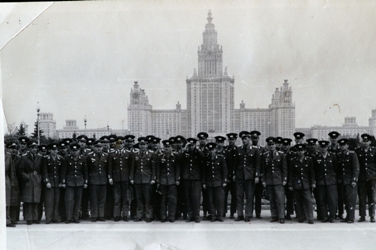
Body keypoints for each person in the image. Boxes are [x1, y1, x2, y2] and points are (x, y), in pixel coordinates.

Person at [235, 131, 261, 222]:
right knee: (239, 196)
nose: (244, 140)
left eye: (246, 139)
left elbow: (257, 164)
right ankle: (240, 214)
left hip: (250, 176)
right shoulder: (238, 149)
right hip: (240, 176)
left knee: (249, 196)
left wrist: (257, 176)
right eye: (243, 139)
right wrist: (235, 174)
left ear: (249, 139)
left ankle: (248, 214)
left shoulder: (255, 150)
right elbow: (236, 164)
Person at [130, 137, 156, 222]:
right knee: (138, 198)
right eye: (141, 144)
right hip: (138, 179)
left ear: (147, 145)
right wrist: (132, 178)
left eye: (144, 144)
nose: (142, 146)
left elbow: (153, 168)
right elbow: (132, 167)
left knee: (148, 199)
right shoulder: (135, 154)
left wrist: (153, 178)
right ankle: (139, 215)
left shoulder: (151, 154)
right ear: (139, 145)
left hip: (147, 179)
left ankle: (149, 215)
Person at [261, 137, 287, 224]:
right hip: (269, 180)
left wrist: (284, 179)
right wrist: (264, 180)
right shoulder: (265, 155)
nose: (271, 146)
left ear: (275, 145)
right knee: (272, 199)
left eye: (272, 144)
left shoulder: (281, 155)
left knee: (280, 199)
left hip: (278, 180)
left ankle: (281, 216)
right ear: (267, 145)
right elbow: (263, 169)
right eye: (269, 145)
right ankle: (274, 216)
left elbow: (284, 168)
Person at [61, 143, 88, 223]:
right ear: (71, 151)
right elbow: (63, 171)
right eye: (73, 150)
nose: (74, 152)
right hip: (70, 182)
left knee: (78, 201)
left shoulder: (83, 159)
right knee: (69, 201)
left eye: (76, 150)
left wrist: (86, 182)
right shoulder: (67, 159)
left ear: (79, 150)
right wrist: (63, 182)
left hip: (79, 182)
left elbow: (85, 171)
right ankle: (68, 218)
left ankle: (76, 217)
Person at [288, 144, 316, 224]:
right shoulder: (293, 160)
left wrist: (313, 182)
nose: (300, 152)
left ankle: (310, 217)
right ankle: (301, 216)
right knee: (298, 201)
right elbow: (291, 173)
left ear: (304, 151)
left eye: (301, 150)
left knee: (308, 201)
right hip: (296, 184)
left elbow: (312, 172)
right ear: (296, 151)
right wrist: (290, 184)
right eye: (298, 151)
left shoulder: (309, 160)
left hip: (306, 183)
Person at [87, 140, 112, 222]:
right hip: (93, 180)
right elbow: (87, 169)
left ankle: (101, 215)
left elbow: (108, 168)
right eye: (97, 147)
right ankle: (94, 215)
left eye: (100, 147)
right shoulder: (89, 156)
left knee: (102, 199)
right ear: (93, 147)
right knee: (94, 199)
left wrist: (109, 178)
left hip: (103, 180)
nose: (99, 149)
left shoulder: (106, 155)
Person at [181, 138, 205, 222]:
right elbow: (179, 160)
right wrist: (184, 149)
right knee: (188, 198)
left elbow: (203, 157)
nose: (191, 147)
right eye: (189, 145)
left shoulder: (197, 153)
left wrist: (196, 149)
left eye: (192, 145)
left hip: (196, 179)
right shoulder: (185, 153)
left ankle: (196, 216)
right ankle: (190, 215)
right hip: (187, 178)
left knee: (196, 198)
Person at [156, 139, 181, 222]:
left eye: (168, 147)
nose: (167, 149)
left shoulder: (176, 156)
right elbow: (158, 170)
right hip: (163, 181)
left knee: (172, 200)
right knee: (163, 200)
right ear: (163, 147)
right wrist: (158, 181)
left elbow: (178, 168)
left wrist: (177, 179)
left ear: (171, 147)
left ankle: (171, 216)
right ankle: (163, 216)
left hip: (172, 181)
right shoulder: (160, 157)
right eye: (165, 147)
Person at [19, 140, 43, 225]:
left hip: (37, 180)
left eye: (35, 147)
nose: (34, 149)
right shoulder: (24, 157)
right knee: (28, 200)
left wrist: (40, 178)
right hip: (28, 180)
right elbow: (21, 170)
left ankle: (35, 218)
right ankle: (29, 218)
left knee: (36, 199)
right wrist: (27, 177)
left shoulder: (40, 157)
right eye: (32, 147)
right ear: (29, 148)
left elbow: (42, 169)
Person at [313, 140, 338, 223]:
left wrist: (336, 180)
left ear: (327, 147)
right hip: (321, 182)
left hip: (331, 182)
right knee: (322, 200)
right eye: (321, 147)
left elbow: (336, 168)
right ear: (319, 148)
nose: (323, 149)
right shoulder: (316, 157)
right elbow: (314, 171)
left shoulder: (332, 156)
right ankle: (325, 216)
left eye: (325, 147)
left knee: (332, 199)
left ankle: (332, 216)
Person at [109, 138, 133, 221]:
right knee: (117, 198)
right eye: (118, 143)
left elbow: (131, 166)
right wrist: (110, 177)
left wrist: (130, 177)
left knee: (125, 198)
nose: (119, 145)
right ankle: (117, 215)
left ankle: (125, 215)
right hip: (116, 179)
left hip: (125, 178)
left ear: (124, 144)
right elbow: (110, 167)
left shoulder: (128, 153)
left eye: (121, 143)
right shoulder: (112, 154)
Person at [203, 142, 227, 222]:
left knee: (219, 200)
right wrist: (204, 182)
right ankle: (213, 215)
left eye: (212, 149)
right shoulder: (206, 159)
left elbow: (224, 171)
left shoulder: (221, 158)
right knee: (210, 200)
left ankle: (220, 216)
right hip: (209, 183)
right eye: (210, 150)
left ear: (215, 150)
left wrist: (224, 181)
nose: (211, 151)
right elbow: (204, 172)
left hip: (218, 182)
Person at [337, 138, 359, 223]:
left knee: (351, 199)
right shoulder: (339, 155)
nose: (342, 146)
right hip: (342, 181)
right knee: (345, 199)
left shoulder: (352, 154)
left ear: (347, 145)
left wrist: (354, 179)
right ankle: (347, 216)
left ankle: (351, 217)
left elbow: (356, 168)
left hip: (350, 181)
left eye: (344, 145)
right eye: (341, 145)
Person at [356, 134, 376, 222]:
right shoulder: (358, 151)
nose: (365, 143)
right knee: (362, 197)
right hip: (362, 177)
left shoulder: (374, 151)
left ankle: (372, 215)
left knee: (372, 197)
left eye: (367, 141)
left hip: (372, 177)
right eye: (363, 141)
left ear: (370, 142)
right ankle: (362, 215)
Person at [42, 143, 63, 224]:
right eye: (52, 150)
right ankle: (48, 218)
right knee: (49, 201)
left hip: (57, 182)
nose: (54, 151)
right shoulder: (46, 158)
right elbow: (45, 171)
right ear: (50, 150)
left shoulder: (60, 158)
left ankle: (55, 217)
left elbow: (62, 172)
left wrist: (61, 181)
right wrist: (47, 181)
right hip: (50, 182)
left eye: (55, 149)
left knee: (57, 201)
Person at [5, 141, 20, 227]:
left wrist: (12, 182)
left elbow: (11, 171)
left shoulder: (8, 156)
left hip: (6, 180)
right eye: (11, 148)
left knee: (7, 201)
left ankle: (7, 219)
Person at [250, 130, 264, 219]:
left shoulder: (262, 149)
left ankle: (258, 213)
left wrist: (260, 174)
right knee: (250, 196)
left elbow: (263, 163)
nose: (255, 139)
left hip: (259, 176)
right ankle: (250, 213)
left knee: (258, 196)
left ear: (258, 138)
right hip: (250, 176)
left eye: (256, 138)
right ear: (251, 138)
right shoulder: (249, 148)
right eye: (253, 138)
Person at [224, 133, 238, 219]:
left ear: (235, 140)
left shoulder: (238, 150)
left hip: (234, 177)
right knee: (224, 196)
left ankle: (233, 212)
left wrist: (235, 174)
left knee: (234, 196)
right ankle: (224, 212)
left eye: (233, 139)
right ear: (228, 140)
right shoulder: (225, 149)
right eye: (230, 139)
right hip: (226, 176)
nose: (231, 141)